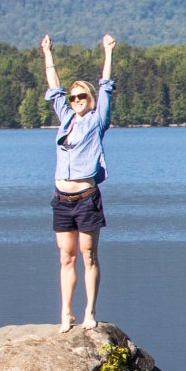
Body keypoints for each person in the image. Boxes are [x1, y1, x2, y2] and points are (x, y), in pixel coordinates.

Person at [44, 34, 116, 330]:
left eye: (81, 97)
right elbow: (53, 87)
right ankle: (66, 313)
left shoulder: (98, 119)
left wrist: (108, 52)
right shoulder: (66, 118)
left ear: (90, 99)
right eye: (73, 97)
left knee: (88, 255)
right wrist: (47, 53)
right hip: (62, 199)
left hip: (86, 197)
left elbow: (106, 85)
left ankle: (89, 312)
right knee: (66, 256)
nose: (76, 101)